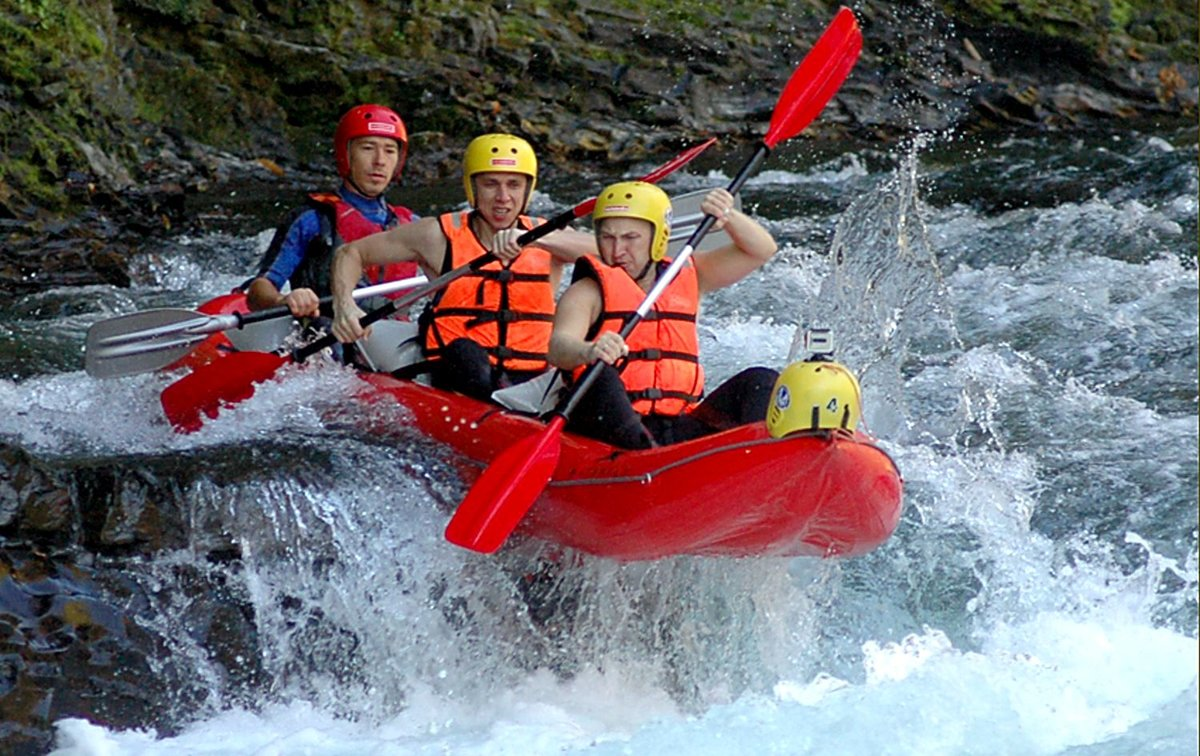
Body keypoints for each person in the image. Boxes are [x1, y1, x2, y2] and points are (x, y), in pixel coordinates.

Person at [330, 133, 595, 399]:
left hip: (530, 383)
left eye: (514, 185)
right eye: (491, 184)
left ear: (527, 190)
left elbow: (613, 254)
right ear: (472, 188)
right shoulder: (436, 236)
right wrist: (345, 306)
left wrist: (540, 240)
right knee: (465, 354)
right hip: (457, 373)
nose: (503, 197)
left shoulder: (551, 239)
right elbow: (350, 253)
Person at [547, 180, 780, 449]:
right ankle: (647, 460)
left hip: (678, 423)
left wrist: (728, 217)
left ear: (658, 239)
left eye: (630, 238)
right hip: (611, 429)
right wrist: (588, 351)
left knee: (760, 380)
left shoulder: (691, 273)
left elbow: (762, 250)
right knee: (598, 374)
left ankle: (758, 459)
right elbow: (558, 347)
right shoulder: (587, 291)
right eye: (608, 238)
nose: (617, 250)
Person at [245, 103, 419, 317]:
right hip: (326, 333)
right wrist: (284, 299)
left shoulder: (414, 226)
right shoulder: (312, 220)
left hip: (393, 339)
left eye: (390, 150)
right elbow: (258, 291)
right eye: (367, 148)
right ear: (345, 154)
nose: (380, 161)